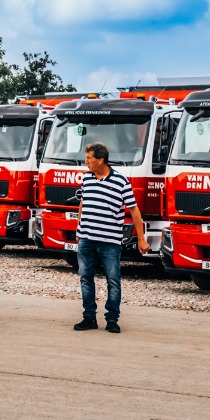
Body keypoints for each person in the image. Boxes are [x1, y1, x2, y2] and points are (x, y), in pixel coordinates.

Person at [75, 141, 143, 334]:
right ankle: (89, 318)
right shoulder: (87, 179)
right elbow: (83, 203)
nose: (86, 162)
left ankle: (112, 320)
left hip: (110, 242)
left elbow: (134, 210)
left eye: (89, 158)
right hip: (86, 238)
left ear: (101, 160)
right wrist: (79, 229)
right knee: (85, 278)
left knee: (113, 280)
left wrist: (141, 238)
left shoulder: (121, 181)